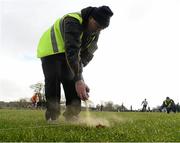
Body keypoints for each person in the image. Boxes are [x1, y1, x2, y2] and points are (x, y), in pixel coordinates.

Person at [37, 6, 113, 121]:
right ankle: (52, 116)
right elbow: (72, 50)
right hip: (51, 50)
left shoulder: (94, 33)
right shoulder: (73, 20)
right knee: (54, 79)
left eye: (101, 29)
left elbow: (83, 57)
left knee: (72, 80)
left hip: (69, 54)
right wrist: (78, 79)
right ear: (90, 18)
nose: (98, 30)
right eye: (97, 26)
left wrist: (80, 78)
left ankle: (72, 114)